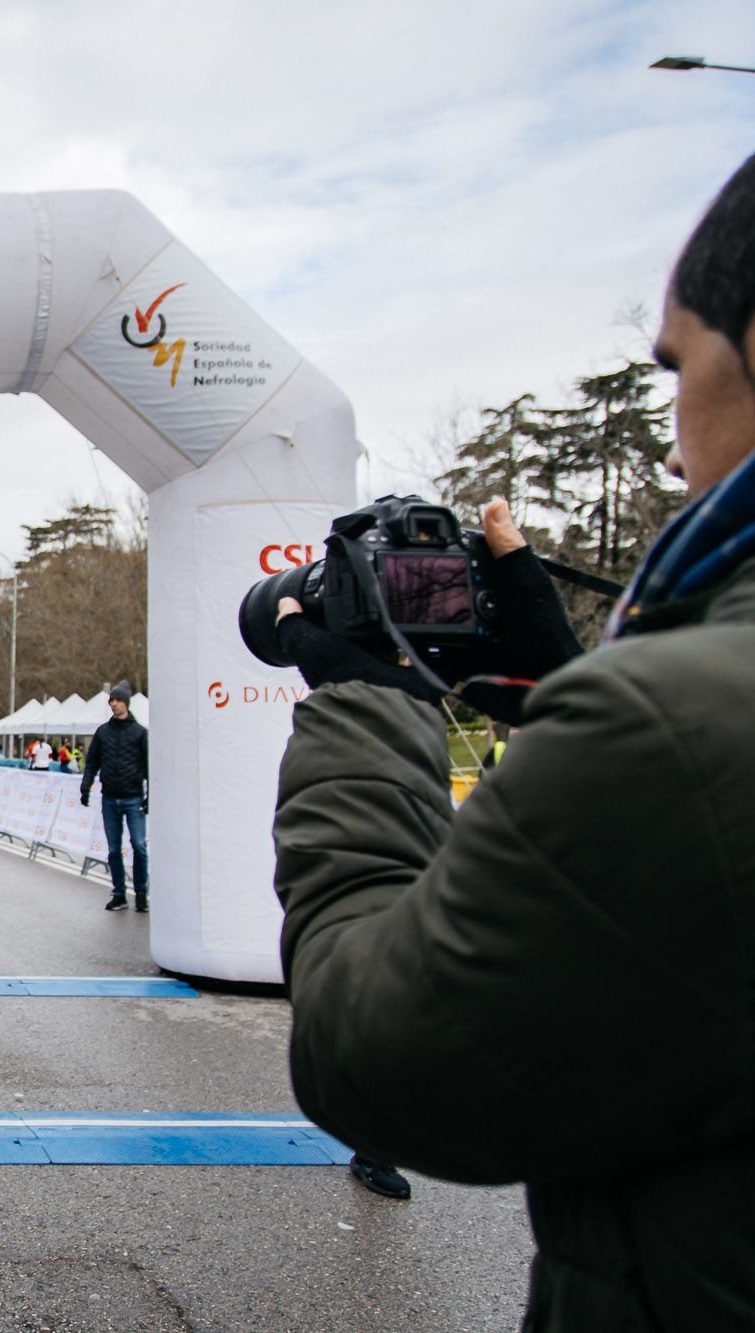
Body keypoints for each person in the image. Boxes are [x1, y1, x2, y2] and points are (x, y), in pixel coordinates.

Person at [266, 155, 755, 1329]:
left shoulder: (685, 722)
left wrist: (367, 697)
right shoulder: (682, 714)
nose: (677, 458)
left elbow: (377, 1062)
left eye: (678, 370)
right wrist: (565, 683)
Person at [80, 682, 148, 912]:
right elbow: (92, 763)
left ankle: (141, 892)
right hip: (110, 798)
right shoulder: (103, 732)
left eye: (117, 700)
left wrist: (150, 796)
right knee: (113, 849)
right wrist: (86, 786)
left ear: (126, 703)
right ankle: (119, 893)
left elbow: (148, 766)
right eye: (111, 700)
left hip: (133, 798)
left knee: (139, 845)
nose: (114, 704)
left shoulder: (140, 733)